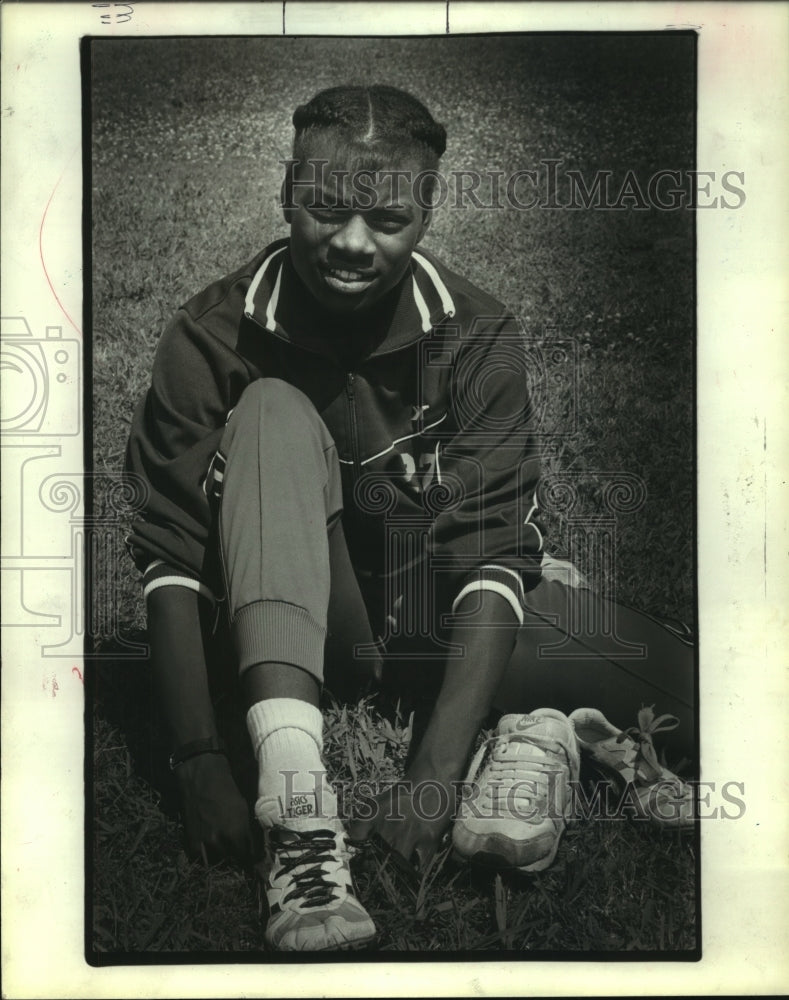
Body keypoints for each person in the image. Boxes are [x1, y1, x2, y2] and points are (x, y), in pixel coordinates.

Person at [124, 84, 695, 952]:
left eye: (387, 219)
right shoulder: (211, 332)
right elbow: (166, 553)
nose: (351, 243)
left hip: (425, 617)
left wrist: (428, 775)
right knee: (274, 408)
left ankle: (535, 731)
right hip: (284, 627)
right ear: (287, 192)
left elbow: (492, 557)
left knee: (706, 699)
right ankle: (299, 805)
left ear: (427, 209)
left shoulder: (475, 332)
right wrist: (200, 760)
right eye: (324, 210)